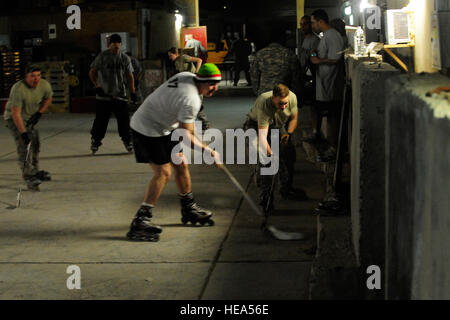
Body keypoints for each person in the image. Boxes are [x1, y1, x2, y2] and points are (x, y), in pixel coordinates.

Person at [126, 63, 223, 242]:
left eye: (217, 83)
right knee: (163, 172)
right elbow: (186, 136)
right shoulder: (191, 100)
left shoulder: (187, 75)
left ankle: (189, 209)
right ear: (200, 80)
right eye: (211, 84)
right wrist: (208, 150)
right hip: (146, 128)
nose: (215, 88)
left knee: (180, 162)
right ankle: (141, 220)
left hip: (163, 126)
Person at [244, 84, 308, 214]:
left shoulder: (292, 97)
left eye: (285, 103)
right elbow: (262, 138)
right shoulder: (265, 103)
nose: (284, 107)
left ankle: (286, 189)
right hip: (255, 127)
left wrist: (288, 134)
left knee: (289, 154)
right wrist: (272, 155)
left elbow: (294, 119)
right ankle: (266, 197)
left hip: (277, 127)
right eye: (280, 104)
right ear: (273, 98)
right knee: (266, 161)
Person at [4, 64, 53, 190]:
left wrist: (39, 113)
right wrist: (23, 133)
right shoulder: (18, 89)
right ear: (26, 77)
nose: (36, 79)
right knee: (25, 146)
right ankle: (28, 175)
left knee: (35, 145)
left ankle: (34, 171)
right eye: (32, 76)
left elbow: (48, 98)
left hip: (30, 118)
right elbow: (15, 114)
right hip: (14, 119)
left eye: (38, 75)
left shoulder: (44, 85)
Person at [89, 33, 136, 154]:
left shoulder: (125, 58)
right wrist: (97, 86)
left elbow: (130, 76)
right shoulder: (103, 56)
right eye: (113, 43)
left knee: (124, 120)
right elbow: (92, 72)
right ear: (110, 44)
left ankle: (128, 140)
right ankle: (95, 140)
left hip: (120, 95)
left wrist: (132, 91)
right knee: (101, 121)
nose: (116, 45)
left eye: (118, 43)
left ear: (121, 44)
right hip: (104, 96)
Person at [310, 9, 345, 162]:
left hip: (331, 86)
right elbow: (314, 55)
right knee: (328, 117)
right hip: (323, 85)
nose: (312, 26)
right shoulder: (324, 37)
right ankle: (331, 148)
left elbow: (336, 58)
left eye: (313, 22)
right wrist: (313, 56)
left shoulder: (333, 36)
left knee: (332, 119)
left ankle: (334, 150)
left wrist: (319, 60)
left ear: (320, 21)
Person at [167, 47, 210, 130]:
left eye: (170, 55)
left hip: (195, 84)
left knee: (196, 104)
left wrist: (196, 72)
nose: (170, 57)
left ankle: (205, 123)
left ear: (176, 53)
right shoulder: (176, 62)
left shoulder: (183, 57)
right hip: (187, 85)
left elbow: (199, 60)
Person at [250, 29, 300, 96]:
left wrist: (257, 91)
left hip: (264, 93)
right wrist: (295, 92)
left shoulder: (260, 54)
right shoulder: (289, 53)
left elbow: (254, 75)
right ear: (282, 39)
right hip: (283, 94)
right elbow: (296, 76)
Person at [298, 15, 320, 111]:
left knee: (313, 103)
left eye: (305, 24)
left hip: (311, 73)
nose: (302, 27)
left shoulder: (315, 40)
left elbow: (314, 55)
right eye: (301, 24)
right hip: (304, 72)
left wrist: (310, 55)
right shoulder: (304, 39)